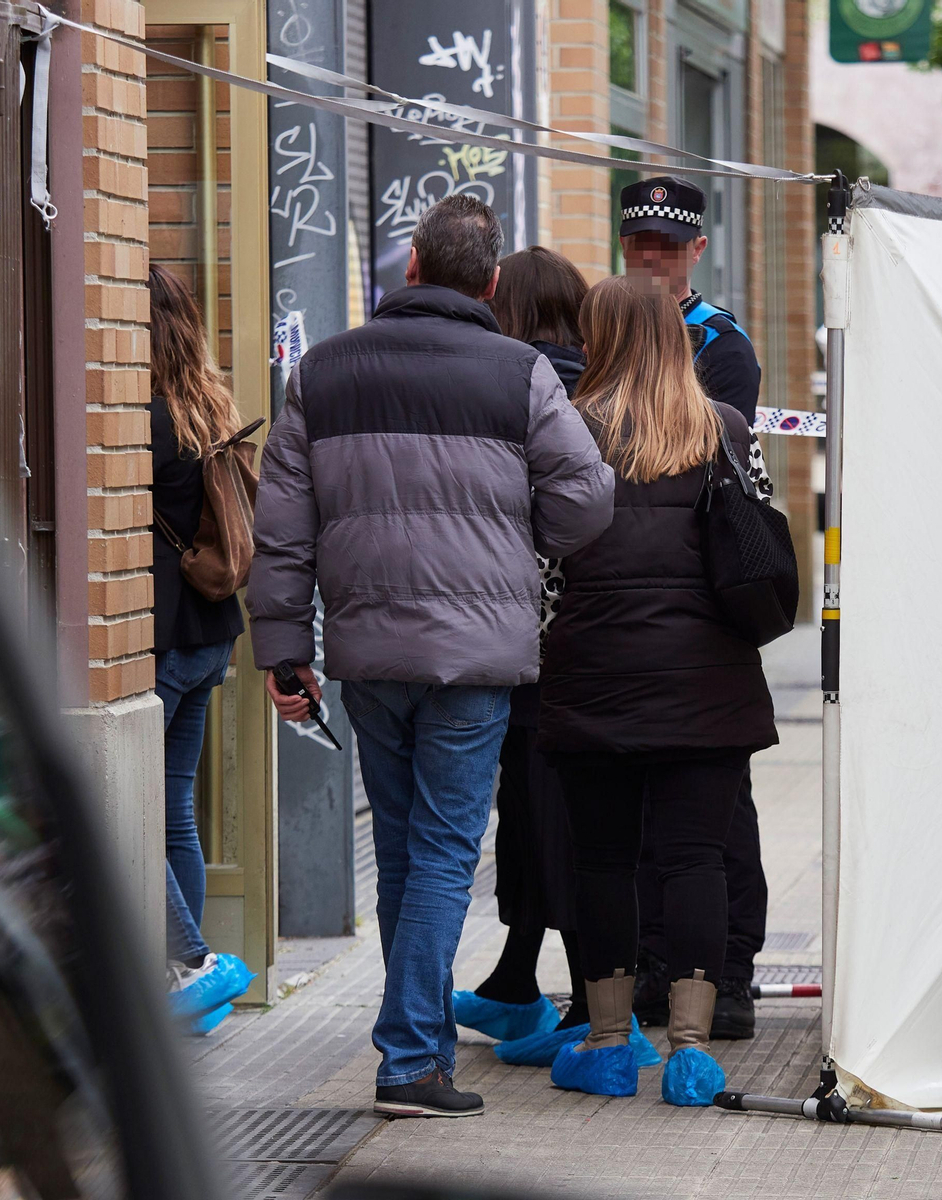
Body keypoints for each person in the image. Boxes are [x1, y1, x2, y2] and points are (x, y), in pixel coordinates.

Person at [246, 196, 614, 1119]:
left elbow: (281, 529)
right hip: (478, 654)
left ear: (410, 268)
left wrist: (286, 650)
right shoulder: (521, 372)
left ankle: (418, 1044)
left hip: (369, 652)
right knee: (446, 852)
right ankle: (410, 1059)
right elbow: (585, 503)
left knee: (410, 851)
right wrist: (515, 527)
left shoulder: (323, 372)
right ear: (489, 283)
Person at [539, 275, 778, 1107]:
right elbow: (758, 539)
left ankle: (608, 1047)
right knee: (697, 860)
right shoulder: (726, 427)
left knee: (603, 860)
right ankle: (690, 1055)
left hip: (594, 675)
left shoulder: (565, 430)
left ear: (598, 337)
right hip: (706, 682)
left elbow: (542, 559)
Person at [618, 175, 769, 1039]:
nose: (651, 259)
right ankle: (650, 963)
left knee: (718, 809)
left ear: (696, 253)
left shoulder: (721, 346)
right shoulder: (608, 332)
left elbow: (709, 470)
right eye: (640, 243)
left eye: (667, 248)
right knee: (639, 802)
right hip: (631, 604)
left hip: (701, 602)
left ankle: (731, 973)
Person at [450, 247, 593, 1041]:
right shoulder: (595, 388)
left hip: (518, 637)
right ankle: (518, 982)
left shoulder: (511, 387)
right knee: (549, 815)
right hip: (582, 638)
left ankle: (578, 1001)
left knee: (536, 815)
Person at [147, 264, 255, 1030]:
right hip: (208, 635)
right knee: (174, 813)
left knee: (136, 813)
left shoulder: (140, 416)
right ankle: (198, 992)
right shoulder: (207, 407)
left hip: (153, 637)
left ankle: (189, 968)